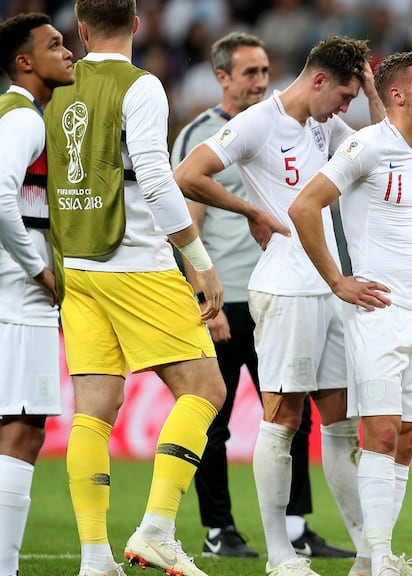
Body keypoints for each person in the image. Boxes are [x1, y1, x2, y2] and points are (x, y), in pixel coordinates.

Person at [174, 35, 384, 576]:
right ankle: (280, 555)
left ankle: (371, 556)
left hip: (330, 284)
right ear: (318, 81)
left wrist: (372, 90)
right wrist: (250, 210)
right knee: (284, 417)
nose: (344, 109)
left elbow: (378, 148)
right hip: (286, 289)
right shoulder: (257, 124)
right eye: (342, 97)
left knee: (340, 423)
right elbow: (186, 176)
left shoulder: (324, 123)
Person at [44, 1, 228, 575]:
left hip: (76, 263)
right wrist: (198, 260)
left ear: (80, 27)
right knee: (205, 387)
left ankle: (95, 558)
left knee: (93, 410)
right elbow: (152, 174)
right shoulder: (141, 85)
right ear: (138, 25)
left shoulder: (58, 85)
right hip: (135, 260)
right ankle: (157, 529)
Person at [288, 50, 412, 576]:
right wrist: (339, 281)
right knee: (380, 431)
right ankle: (380, 560)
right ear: (399, 94)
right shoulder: (364, 146)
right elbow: (304, 207)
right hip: (378, 310)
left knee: (409, 435)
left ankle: (371, 559)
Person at [0, 13, 73, 576]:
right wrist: (38, 268)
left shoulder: (21, 114)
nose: (68, 52)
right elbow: (1, 195)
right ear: (25, 62)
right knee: (22, 429)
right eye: (54, 45)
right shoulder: (23, 119)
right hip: (17, 295)